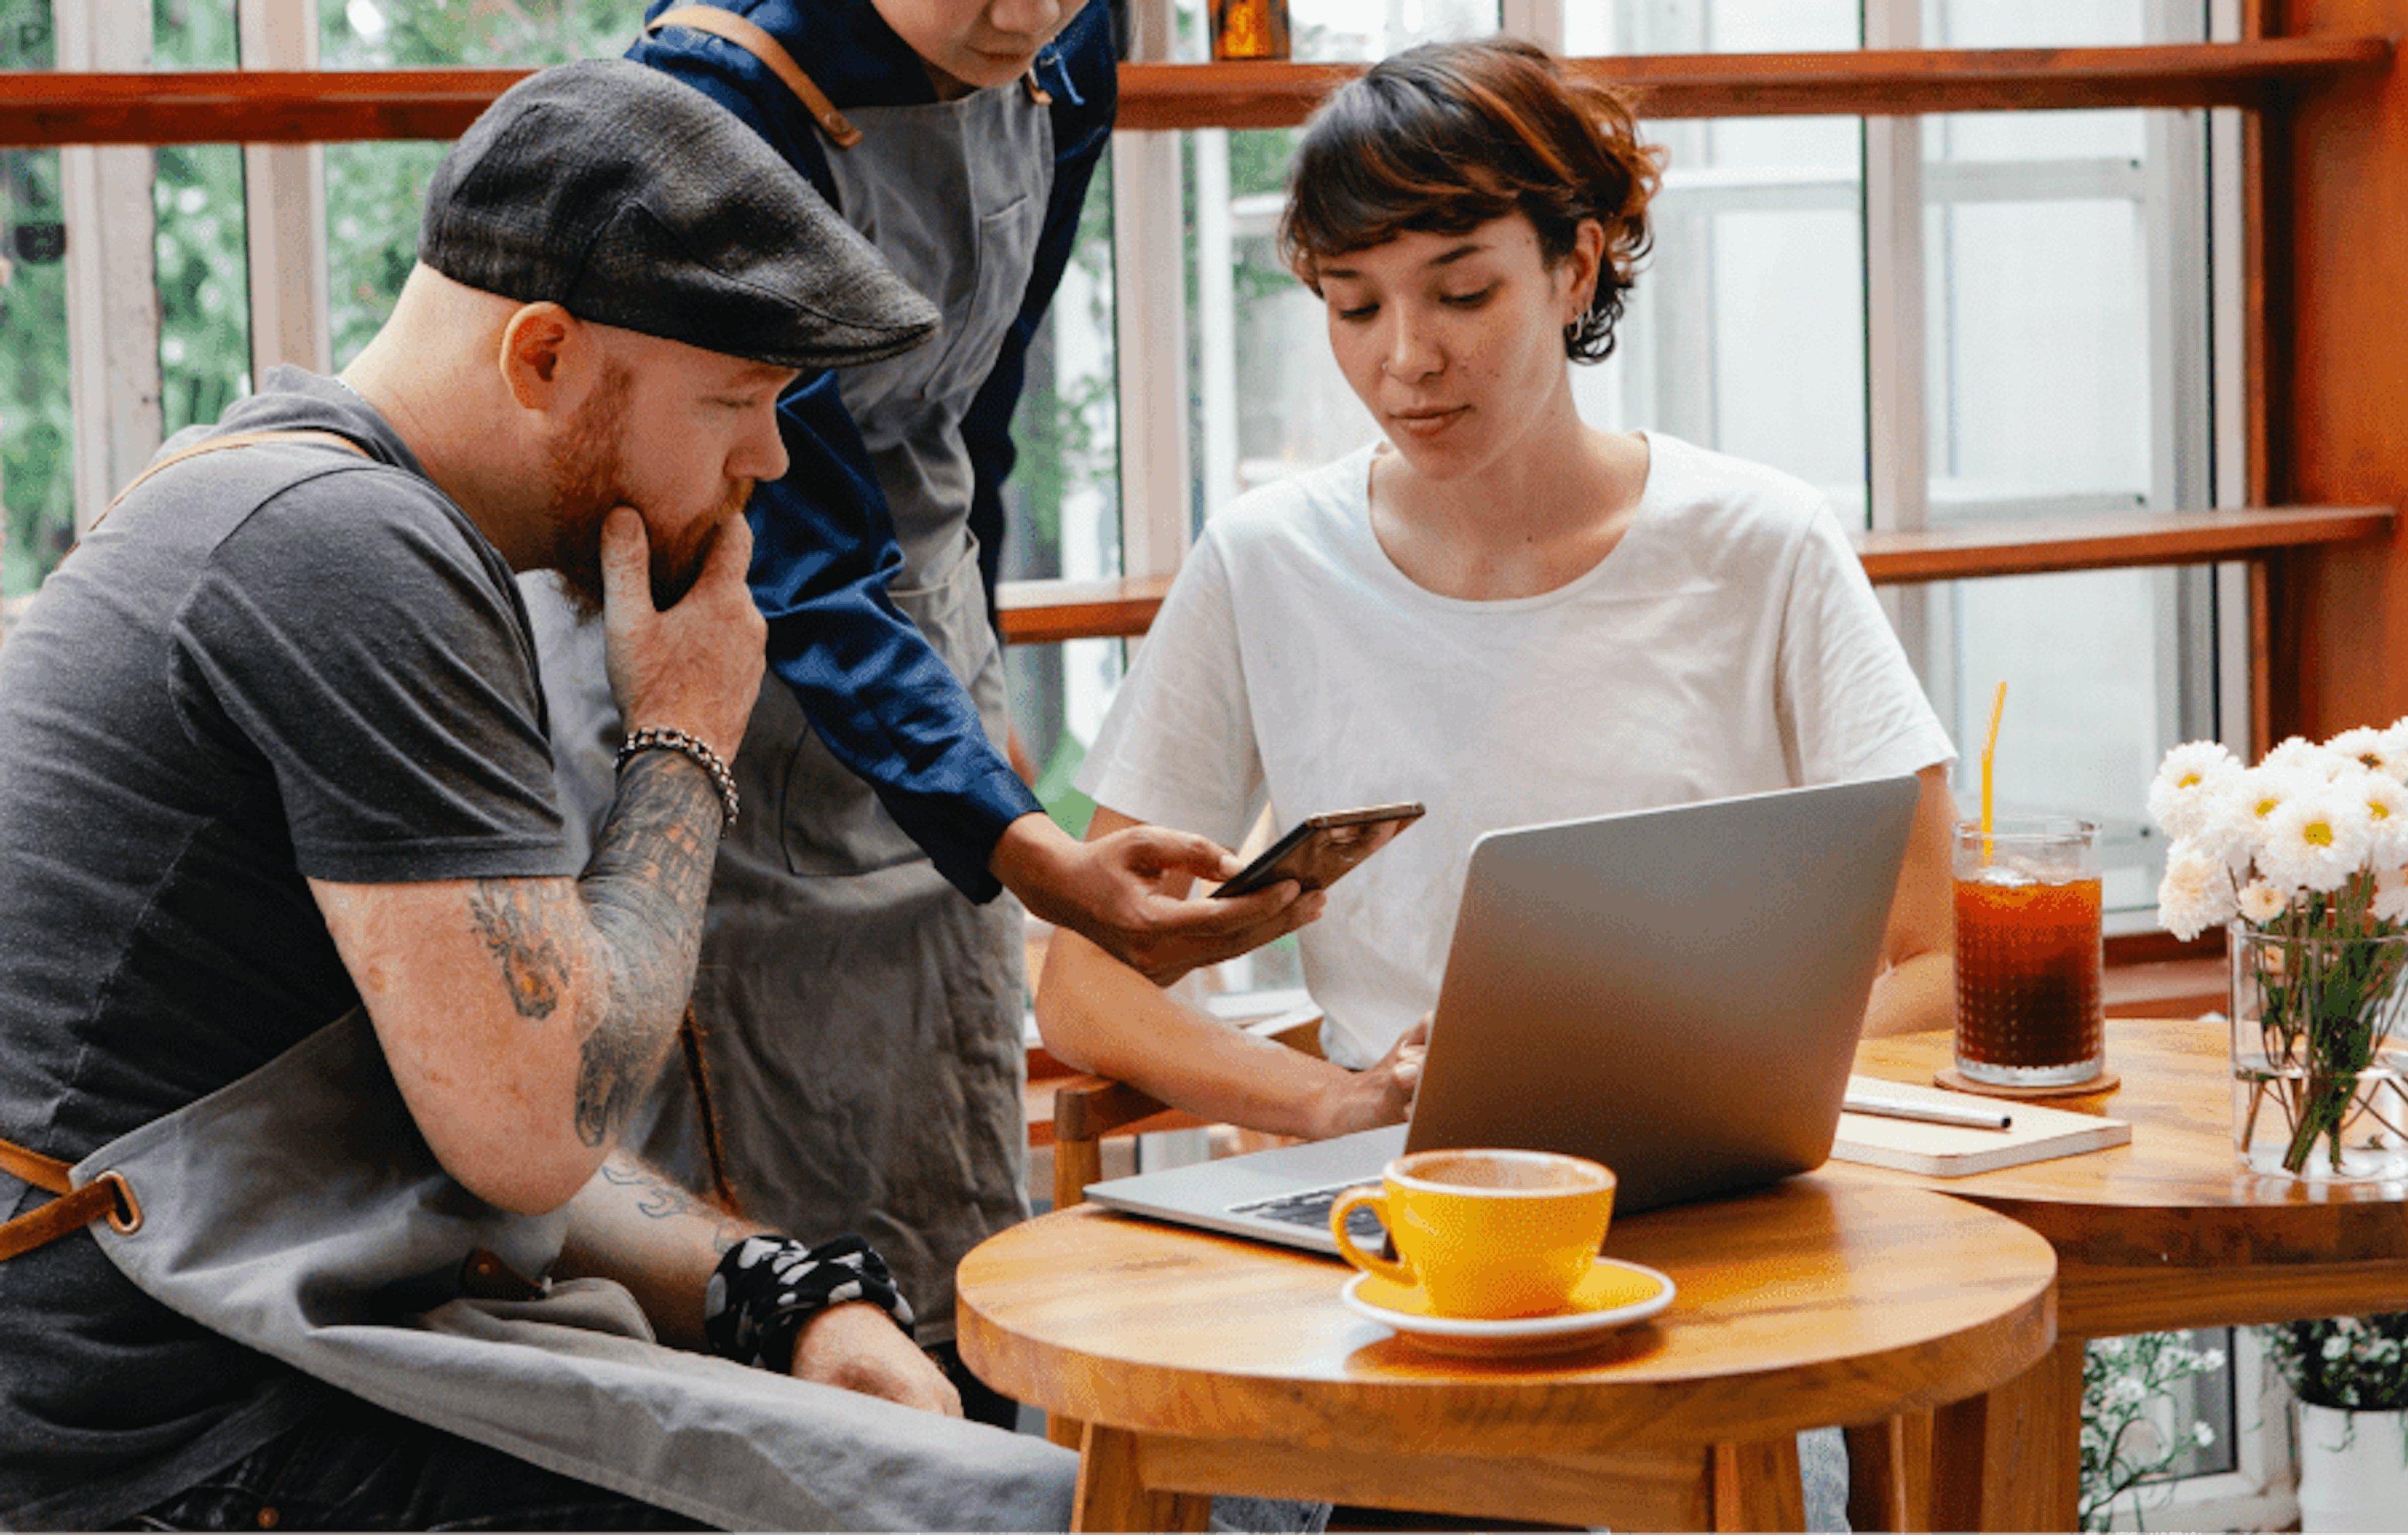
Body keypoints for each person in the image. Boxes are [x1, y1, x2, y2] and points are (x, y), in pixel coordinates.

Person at [0, 62, 1076, 1532]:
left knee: (1007, 1486)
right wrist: (685, 735)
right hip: (157, 1429)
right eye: (736, 400)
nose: (766, 458)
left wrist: (766, 1290)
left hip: (217, 1345)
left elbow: (460, 1102)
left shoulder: (286, 491)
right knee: (1020, 1513)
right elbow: (533, 1126)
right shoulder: (348, 551)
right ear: (543, 355)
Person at [519, 0, 1316, 1420]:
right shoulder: (715, 94)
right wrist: (1027, 845)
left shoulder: (1070, 45)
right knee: (762, 1191)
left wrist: (976, 701)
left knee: (944, 1144)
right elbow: (807, 543)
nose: (1023, 14)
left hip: (922, 628)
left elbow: (980, 403)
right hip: (736, 619)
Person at [1037, 36, 1961, 1141]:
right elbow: (1086, 985)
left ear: (1575, 265)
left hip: (1717, 1172)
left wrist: (1703, 1092)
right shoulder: (1263, 560)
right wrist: (1332, 1102)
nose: (1409, 358)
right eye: (1355, 307)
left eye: (1461, 293)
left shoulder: (1762, 543)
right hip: (1401, 1192)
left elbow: (1943, 960)